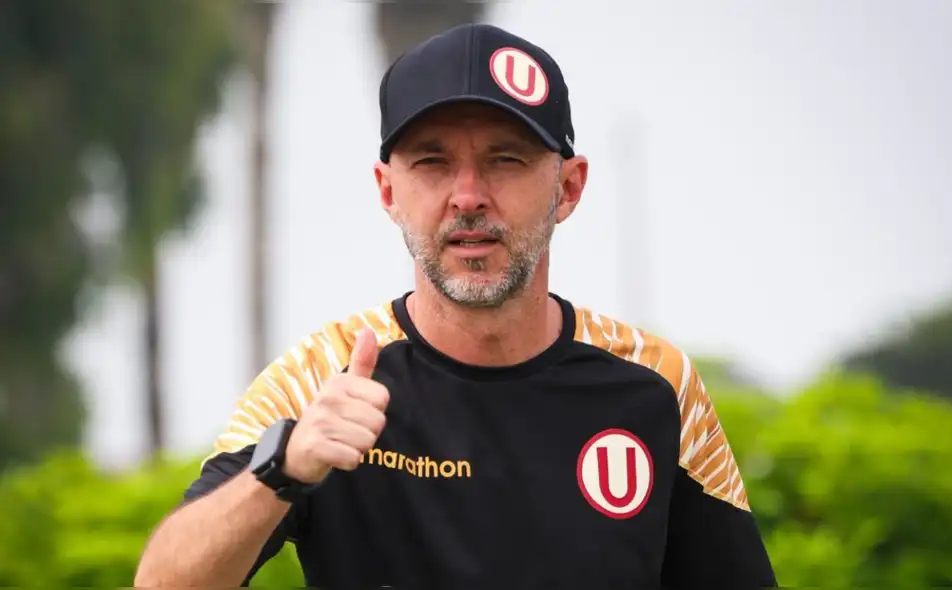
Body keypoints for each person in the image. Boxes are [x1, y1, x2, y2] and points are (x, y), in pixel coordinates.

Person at [134, 23, 777, 590]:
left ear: (568, 188)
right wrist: (284, 468)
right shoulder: (320, 379)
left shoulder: (655, 385)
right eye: (433, 162)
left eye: (505, 159)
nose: (467, 196)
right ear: (389, 190)